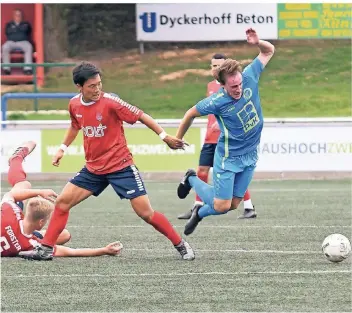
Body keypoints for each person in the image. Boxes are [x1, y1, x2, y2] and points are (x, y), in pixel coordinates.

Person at [19, 62, 195, 261]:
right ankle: (46, 249)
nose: (97, 90)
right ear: (79, 87)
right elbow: (75, 126)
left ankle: (180, 244)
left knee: (146, 213)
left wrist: (165, 137)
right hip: (93, 168)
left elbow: (141, 116)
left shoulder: (111, 102)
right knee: (62, 203)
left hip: (121, 166)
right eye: (92, 86)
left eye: (99, 84)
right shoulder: (74, 104)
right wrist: (62, 149)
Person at [175, 28, 275, 235]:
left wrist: (257, 42)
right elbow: (189, 114)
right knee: (221, 205)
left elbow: (268, 51)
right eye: (233, 87)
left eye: (239, 84)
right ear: (222, 85)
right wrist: (176, 138)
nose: (238, 89)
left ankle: (199, 213)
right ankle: (191, 178)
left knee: (233, 204)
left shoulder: (248, 76)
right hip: (228, 157)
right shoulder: (216, 101)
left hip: (250, 153)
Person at [1, 141, 123, 258]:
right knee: (65, 235)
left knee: (23, 186)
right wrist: (104, 250)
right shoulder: (31, 244)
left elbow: (11, 195)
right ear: (40, 222)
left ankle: (16, 159)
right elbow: (70, 252)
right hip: (21, 235)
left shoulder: (10, 212)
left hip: (12, 228)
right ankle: (15, 159)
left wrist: (40, 192)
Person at [177, 53, 256, 220]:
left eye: (219, 66)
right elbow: (203, 110)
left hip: (228, 141)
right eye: (213, 66)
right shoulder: (212, 87)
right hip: (211, 138)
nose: (216, 68)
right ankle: (197, 206)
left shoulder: (236, 83)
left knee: (235, 180)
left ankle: (248, 205)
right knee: (203, 171)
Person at [2, 8, 33, 75]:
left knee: (29, 46)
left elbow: (28, 31)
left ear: (21, 16)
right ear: (14, 16)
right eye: (16, 15)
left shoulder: (26, 23)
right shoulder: (9, 24)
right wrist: (19, 29)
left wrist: (15, 29)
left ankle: (27, 69)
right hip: (11, 42)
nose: (18, 16)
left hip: (23, 42)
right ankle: (6, 69)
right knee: (5, 47)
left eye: (19, 15)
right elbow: (7, 32)